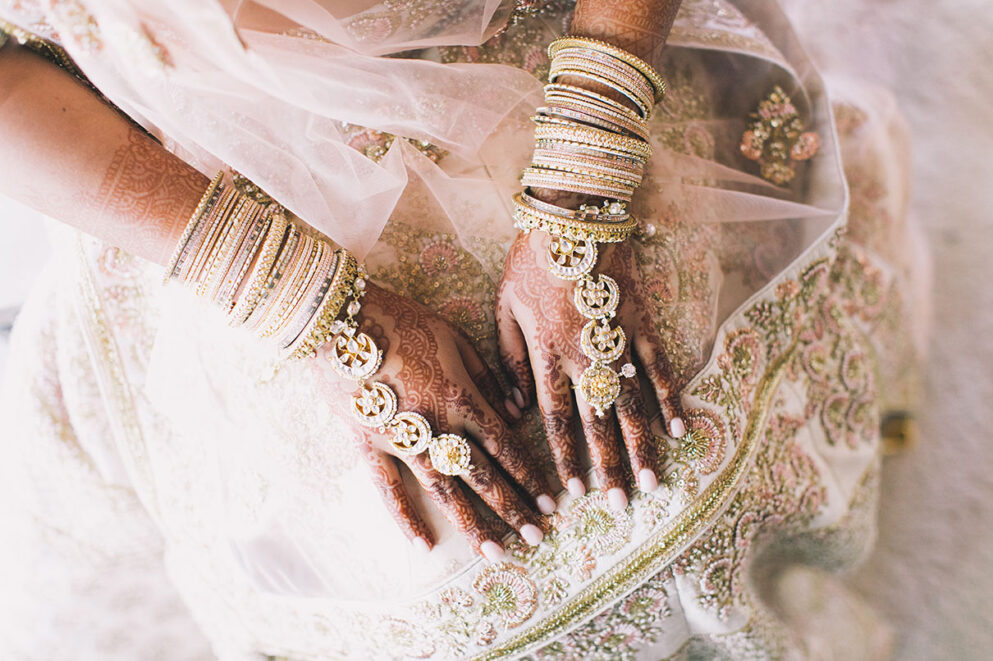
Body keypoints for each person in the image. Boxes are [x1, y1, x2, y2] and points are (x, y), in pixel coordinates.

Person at [0, 0, 926, 658]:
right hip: (192, 174)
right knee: (434, 571)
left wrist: (579, 190)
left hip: (552, 39)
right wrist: (321, 314)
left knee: (664, 450)